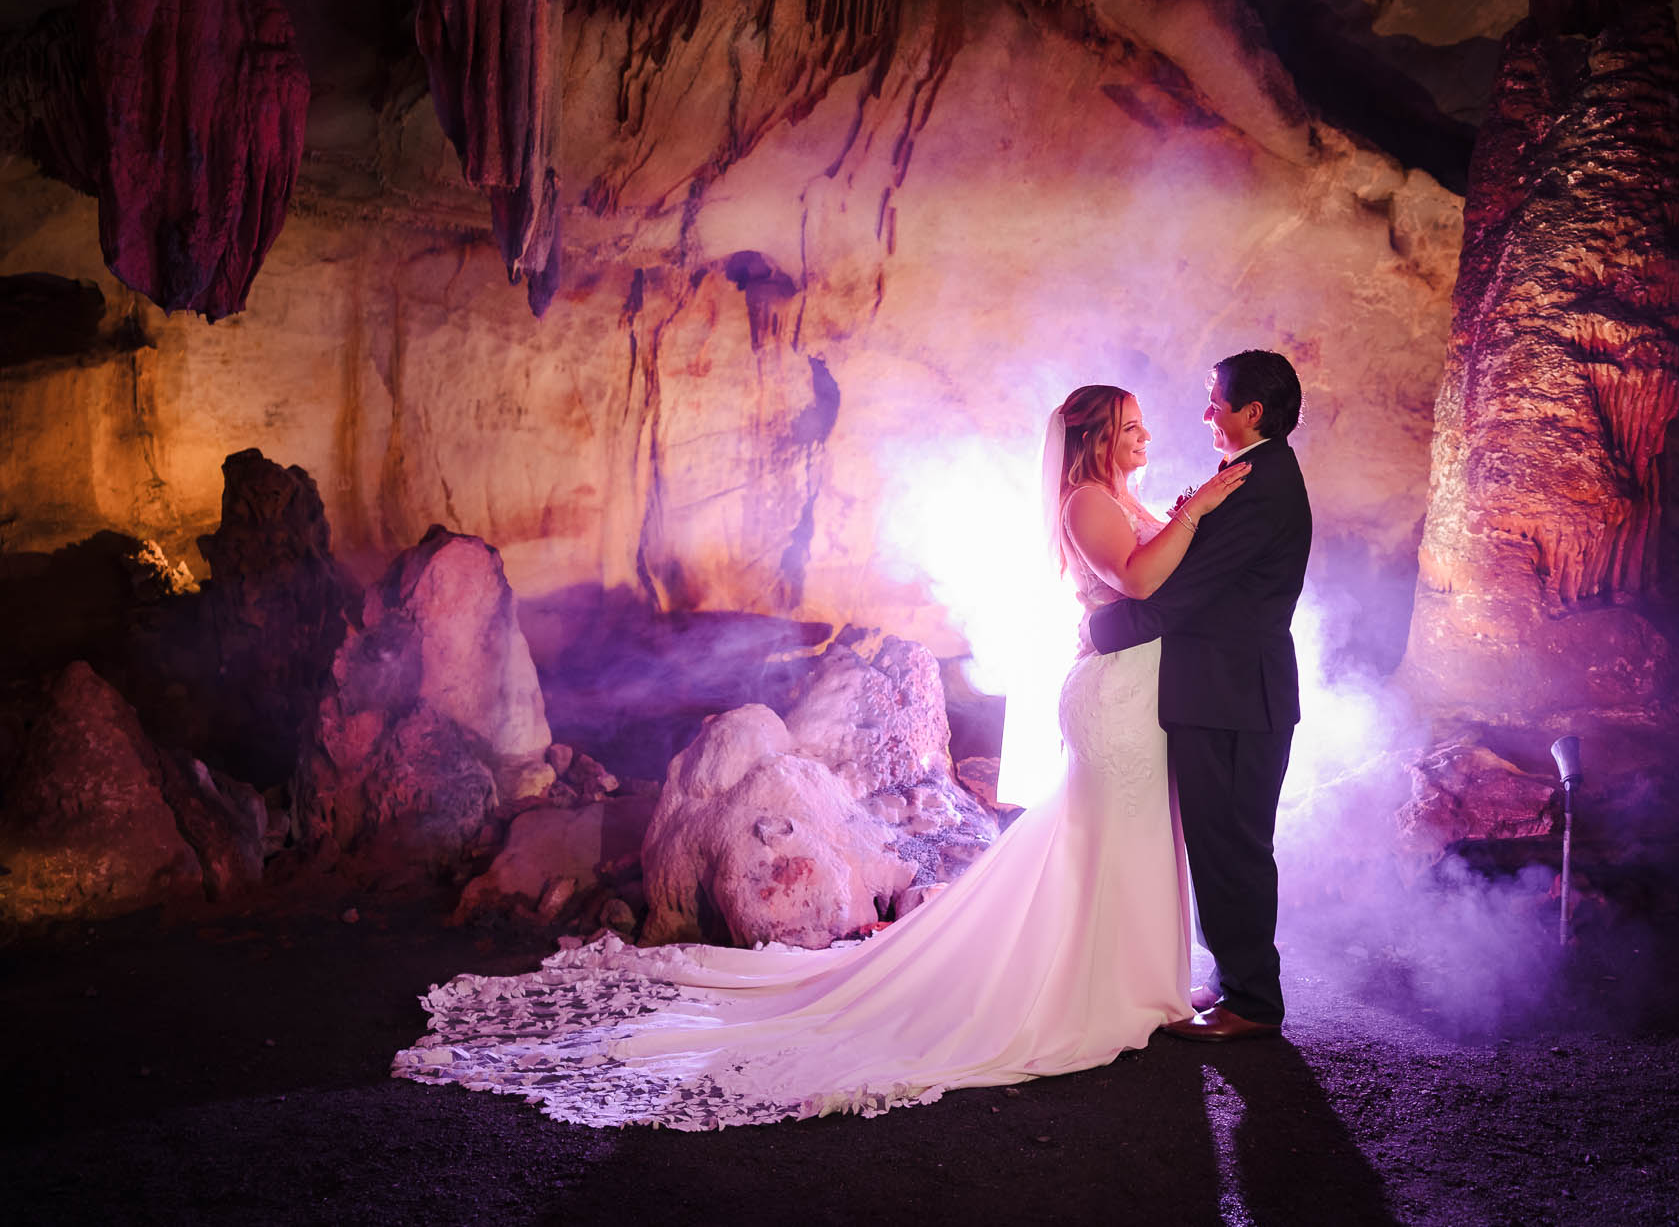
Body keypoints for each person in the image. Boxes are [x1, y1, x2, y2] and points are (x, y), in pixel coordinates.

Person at [390, 384, 1247, 1130]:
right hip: (1117, 698)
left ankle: (1136, 977)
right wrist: (1197, 512)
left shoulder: (1121, 497)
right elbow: (1138, 581)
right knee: (1111, 833)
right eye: (1129, 424)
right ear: (1097, 434)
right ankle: (1105, 988)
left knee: (1127, 835)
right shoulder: (1087, 502)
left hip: (1144, 691)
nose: (1144, 434)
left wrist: (1180, 516)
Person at [1087, 350, 1310, 1042]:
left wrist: (1098, 627)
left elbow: (1183, 592)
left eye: (1214, 400)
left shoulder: (1262, 485)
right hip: (1226, 693)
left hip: (1234, 697)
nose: (1206, 411)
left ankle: (1252, 1001)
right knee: (1219, 841)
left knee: (1234, 844)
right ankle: (1235, 978)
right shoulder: (1256, 474)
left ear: (1251, 413)